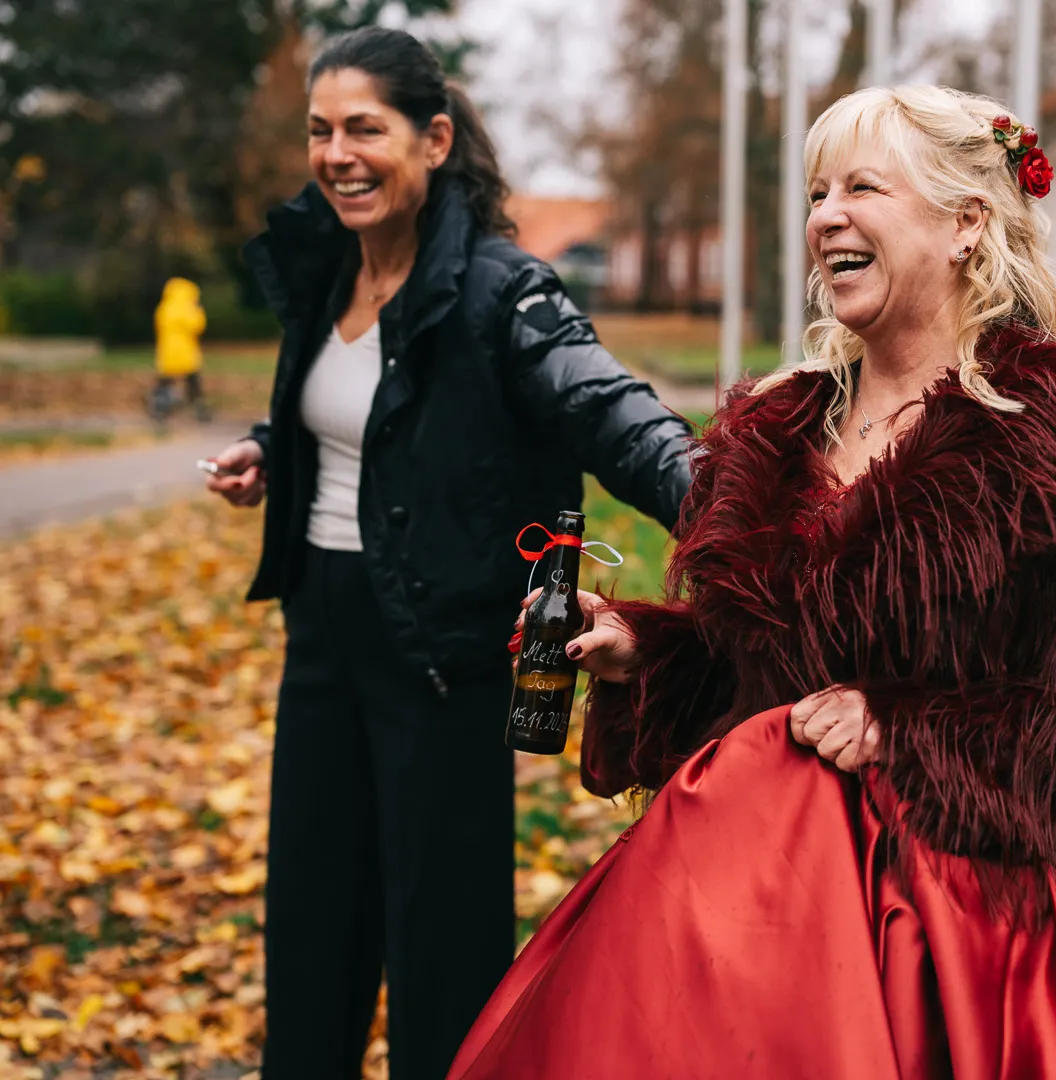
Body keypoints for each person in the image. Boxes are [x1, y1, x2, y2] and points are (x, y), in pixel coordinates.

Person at [449, 86, 1056, 1080]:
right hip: (741, 914)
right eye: (816, 192)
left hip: (953, 951)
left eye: (862, 187)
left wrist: (908, 727)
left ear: (966, 223)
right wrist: (644, 651)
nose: (825, 215)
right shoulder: (770, 431)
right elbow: (753, 685)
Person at [202, 26, 691, 1080]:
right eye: (320, 131)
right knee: (312, 934)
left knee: (441, 958)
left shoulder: (500, 292)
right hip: (321, 639)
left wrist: (733, 510)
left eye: (364, 129)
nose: (337, 153)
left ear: (432, 139)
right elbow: (357, 420)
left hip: (441, 656)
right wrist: (268, 449)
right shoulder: (331, 269)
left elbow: (609, 413)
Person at [151, 277, 211, 421]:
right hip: (186, 352)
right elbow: (198, 326)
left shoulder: (164, 308)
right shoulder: (188, 309)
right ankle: (199, 409)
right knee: (193, 381)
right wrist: (198, 310)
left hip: (167, 352)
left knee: (165, 381)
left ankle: (160, 408)